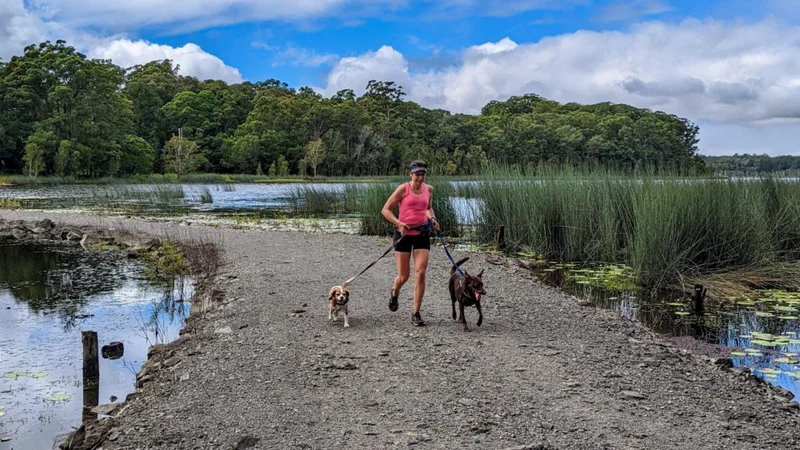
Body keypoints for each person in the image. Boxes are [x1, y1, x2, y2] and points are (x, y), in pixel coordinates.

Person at [381, 160, 440, 326]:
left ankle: (416, 312)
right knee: (403, 276)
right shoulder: (403, 189)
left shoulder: (429, 189)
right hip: (404, 234)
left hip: (422, 233)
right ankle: (395, 291)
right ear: (411, 174)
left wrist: (433, 219)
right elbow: (385, 209)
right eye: (417, 174)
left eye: (422, 174)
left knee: (420, 273)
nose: (420, 177)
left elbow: (428, 208)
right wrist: (398, 223)